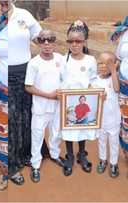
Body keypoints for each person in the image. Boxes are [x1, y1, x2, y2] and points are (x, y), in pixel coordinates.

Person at [0, 0, 41, 185]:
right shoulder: (0, 25)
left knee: (25, 115)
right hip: (4, 79)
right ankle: (11, 164)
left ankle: (26, 154)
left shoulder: (24, 15)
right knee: (9, 119)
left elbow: (39, 38)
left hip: (25, 73)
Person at [24, 30, 65, 183]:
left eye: (50, 39)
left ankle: (54, 155)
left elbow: (65, 79)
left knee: (56, 133)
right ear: (39, 42)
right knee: (37, 135)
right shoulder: (34, 63)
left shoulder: (61, 59)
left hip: (58, 105)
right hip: (41, 107)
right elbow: (28, 87)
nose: (47, 43)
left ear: (55, 42)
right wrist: (49, 95)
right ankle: (35, 164)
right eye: (43, 40)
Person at [60, 20, 97, 176]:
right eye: (71, 41)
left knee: (82, 128)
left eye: (78, 41)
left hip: (83, 101)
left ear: (84, 41)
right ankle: (69, 155)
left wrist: (94, 91)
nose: (74, 44)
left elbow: (93, 80)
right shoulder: (63, 60)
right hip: (68, 103)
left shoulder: (90, 60)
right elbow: (60, 80)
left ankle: (82, 154)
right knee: (69, 128)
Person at [92, 51, 120, 178]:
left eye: (107, 64)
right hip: (100, 119)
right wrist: (97, 97)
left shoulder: (115, 78)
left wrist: (114, 71)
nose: (103, 66)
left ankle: (114, 163)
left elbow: (117, 89)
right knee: (102, 141)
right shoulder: (94, 80)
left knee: (114, 142)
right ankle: (103, 160)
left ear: (114, 65)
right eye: (100, 63)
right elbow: (90, 98)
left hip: (114, 119)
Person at [111, 16, 128, 177]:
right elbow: (118, 58)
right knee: (126, 120)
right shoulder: (123, 34)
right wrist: (110, 73)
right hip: (124, 85)